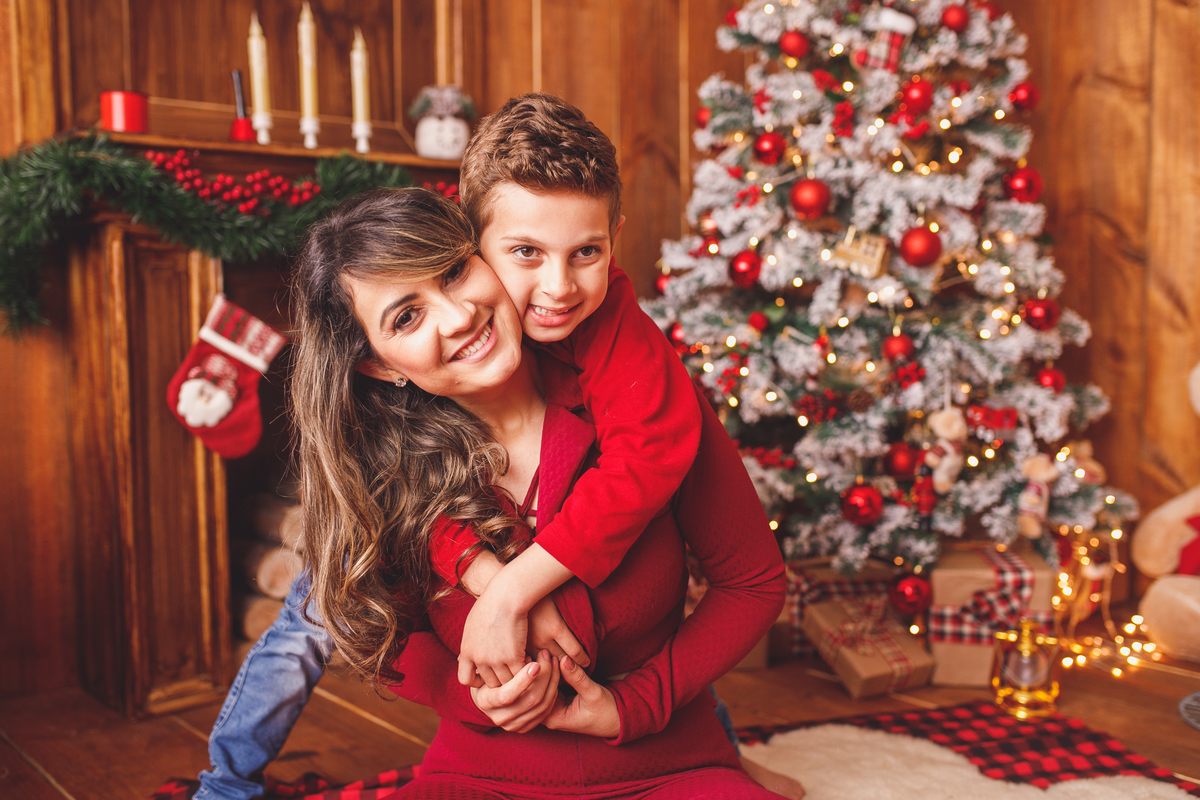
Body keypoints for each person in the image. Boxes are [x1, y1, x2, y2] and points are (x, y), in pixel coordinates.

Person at [197, 93, 803, 799]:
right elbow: (379, 634)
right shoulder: (390, 468)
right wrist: (471, 683)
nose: (459, 316)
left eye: (453, 273)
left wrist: (532, 610)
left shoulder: (637, 382)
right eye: (407, 315)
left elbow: (748, 577)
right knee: (316, 604)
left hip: (661, 757)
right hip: (487, 768)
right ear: (379, 363)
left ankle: (727, 759)